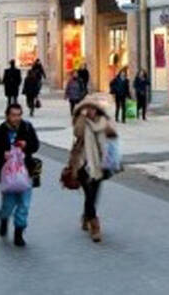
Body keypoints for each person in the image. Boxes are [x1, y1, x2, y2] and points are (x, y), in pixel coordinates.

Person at [0, 103, 40, 247]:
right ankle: (4, 219)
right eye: (13, 115)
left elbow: (36, 145)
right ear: (7, 115)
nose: (16, 118)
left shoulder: (27, 128)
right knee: (8, 205)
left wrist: (26, 145)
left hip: (25, 173)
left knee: (24, 205)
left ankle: (19, 233)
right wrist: (2, 155)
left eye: (19, 115)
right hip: (8, 175)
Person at [69, 93, 118, 243]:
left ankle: (86, 216)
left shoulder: (105, 122)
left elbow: (113, 139)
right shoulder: (81, 122)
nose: (90, 111)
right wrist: (83, 118)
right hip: (83, 162)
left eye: (92, 108)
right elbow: (76, 133)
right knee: (89, 193)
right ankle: (95, 225)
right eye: (87, 108)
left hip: (100, 163)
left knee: (93, 195)